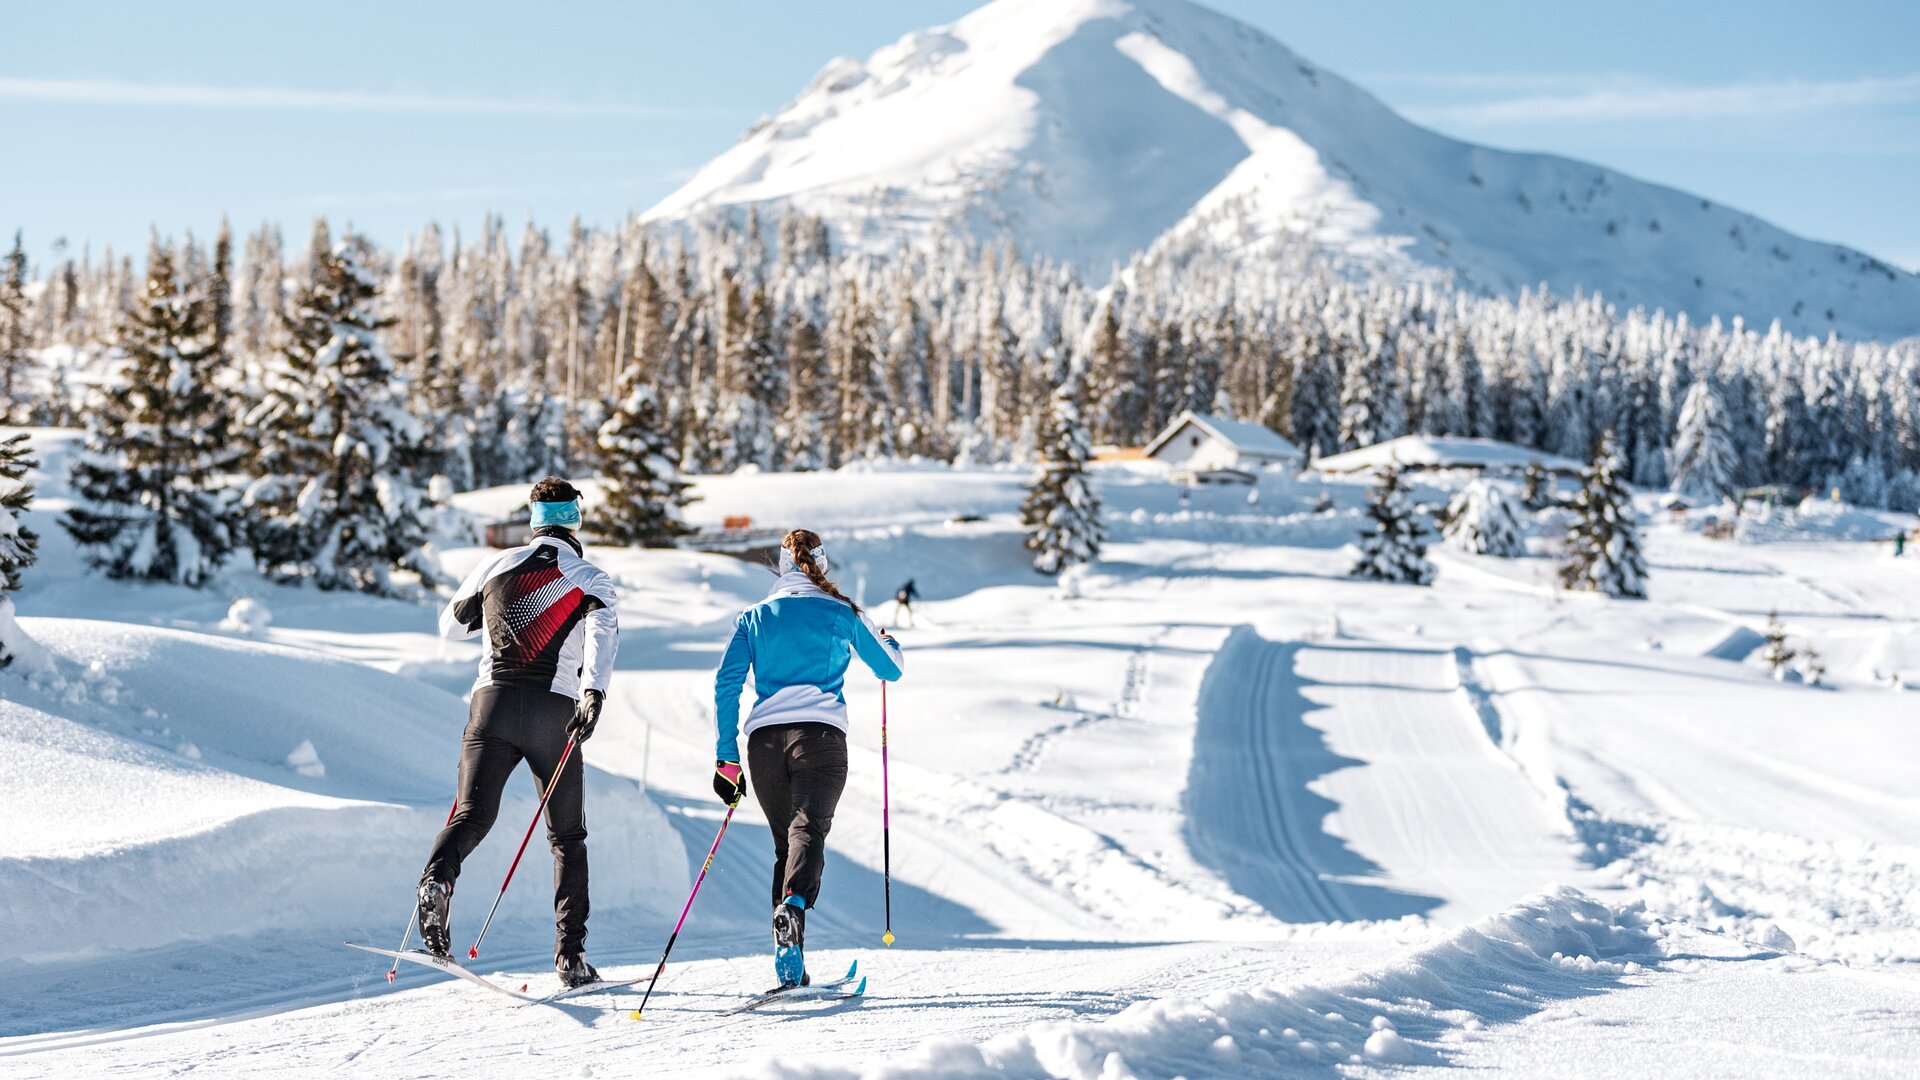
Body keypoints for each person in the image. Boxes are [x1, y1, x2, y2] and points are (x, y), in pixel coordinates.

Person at [416, 477, 620, 989]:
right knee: (567, 837)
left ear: (533, 519)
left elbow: (449, 626)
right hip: (555, 710)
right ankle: (570, 958)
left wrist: (495, 617)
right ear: (575, 517)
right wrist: (593, 693)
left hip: (493, 704)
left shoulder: (495, 564)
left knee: (472, 815)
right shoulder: (589, 576)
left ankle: (438, 880)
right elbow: (602, 635)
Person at [712, 529, 903, 988]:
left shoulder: (752, 617)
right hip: (818, 737)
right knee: (808, 830)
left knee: (788, 844)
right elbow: (890, 668)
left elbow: (726, 685)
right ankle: (793, 907)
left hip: (763, 745)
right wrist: (888, 639)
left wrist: (726, 757)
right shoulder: (841, 611)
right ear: (821, 564)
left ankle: (790, 961)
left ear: (781, 566)